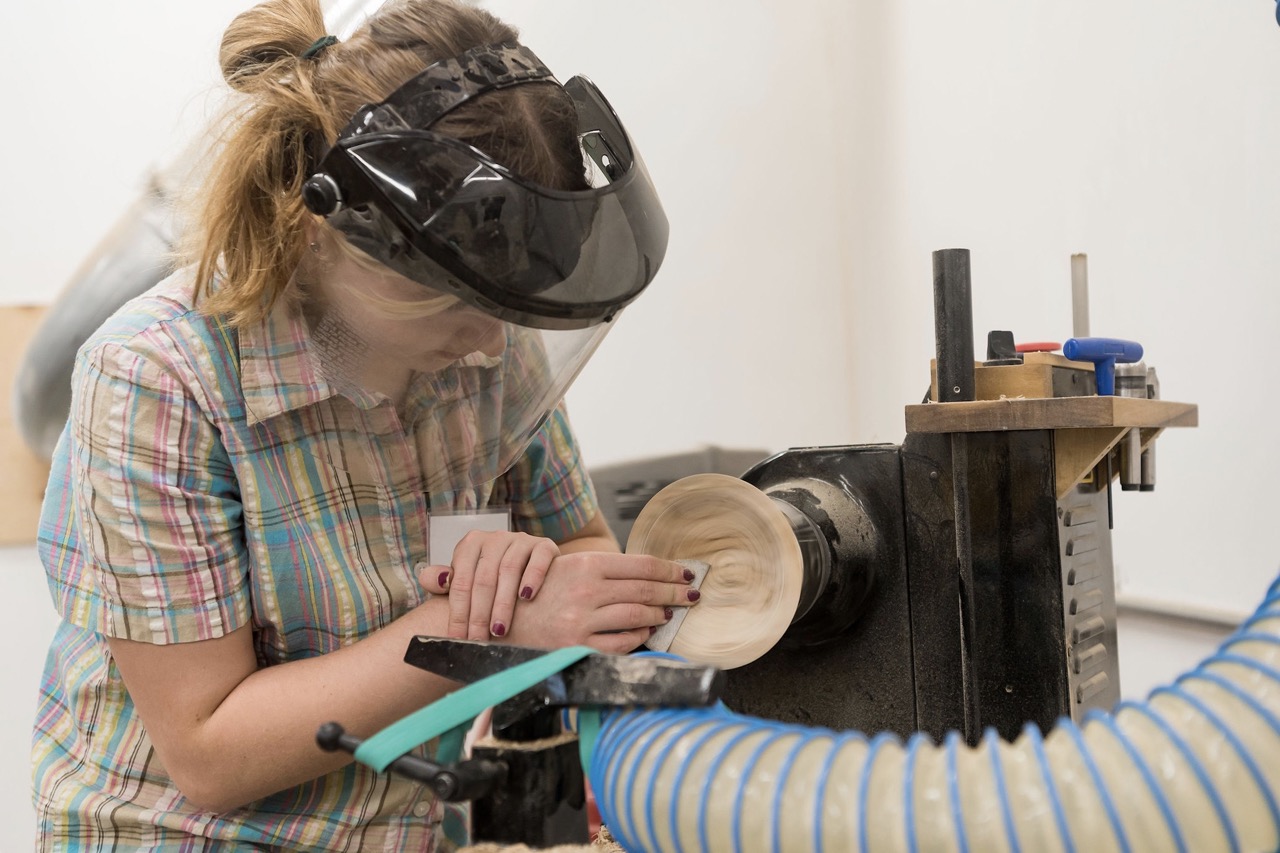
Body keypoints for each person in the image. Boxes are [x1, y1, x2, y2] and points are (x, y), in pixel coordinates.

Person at [30, 0, 695, 848]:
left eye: (508, 307)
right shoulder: (158, 378)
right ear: (340, 239)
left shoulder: (485, 344)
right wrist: (481, 626)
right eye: (464, 304)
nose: (493, 342)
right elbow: (209, 751)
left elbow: (584, 555)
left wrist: (534, 582)